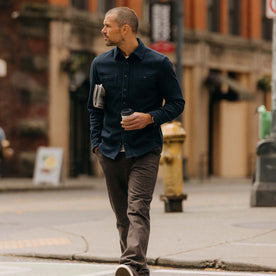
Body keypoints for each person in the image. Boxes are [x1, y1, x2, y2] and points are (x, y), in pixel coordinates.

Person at [88, 7, 185, 276]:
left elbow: (177, 103)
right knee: (122, 218)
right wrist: (97, 144)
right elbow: (94, 108)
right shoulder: (100, 64)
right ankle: (136, 270)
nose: (103, 31)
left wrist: (150, 118)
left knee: (137, 209)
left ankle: (129, 263)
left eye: (108, 26)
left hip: (145, 149)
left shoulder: (159, 63)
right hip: (109, 150)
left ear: (125, 29)